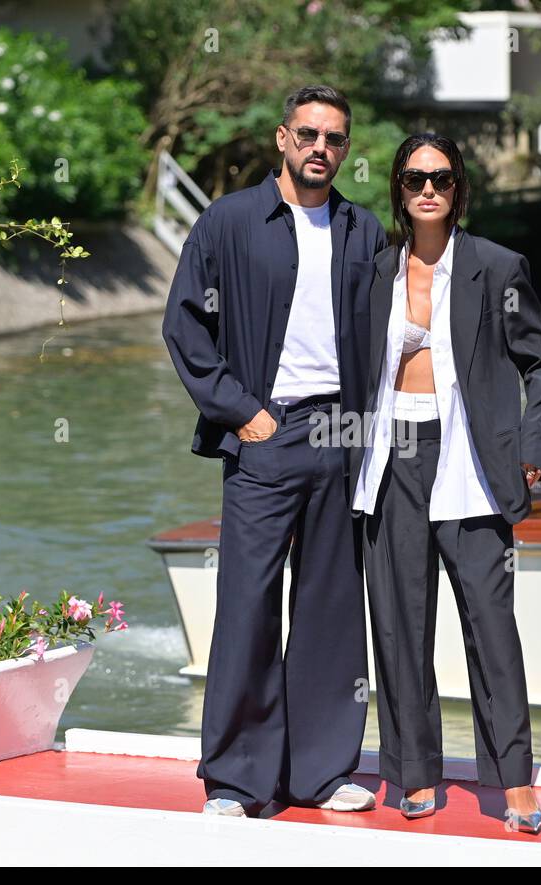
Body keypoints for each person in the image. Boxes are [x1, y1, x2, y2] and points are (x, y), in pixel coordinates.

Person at [162, 86, 387, 817]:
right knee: (248, 603)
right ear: (283, 139)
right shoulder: (229, 223)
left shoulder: (363, 231)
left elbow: (393, 333)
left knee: (330, 605)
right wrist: (242, 412)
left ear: (345, 150)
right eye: (310, 134)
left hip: (341, 434)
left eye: (336, 138)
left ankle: (321, 773)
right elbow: (185, 327)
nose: (322, 147)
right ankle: (237, 779)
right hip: (266, 431)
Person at [350, 132, 541, 832]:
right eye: (414, 180)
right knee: (401, 625)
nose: (428, 190)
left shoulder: (498, 269)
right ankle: (414, 772)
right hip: (390, 458)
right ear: (399, 191)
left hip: (471, 461)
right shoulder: (374, 273)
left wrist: (535, 441)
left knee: (491, 624)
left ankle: (514, 779)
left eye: (440, 178)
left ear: (458, 187)